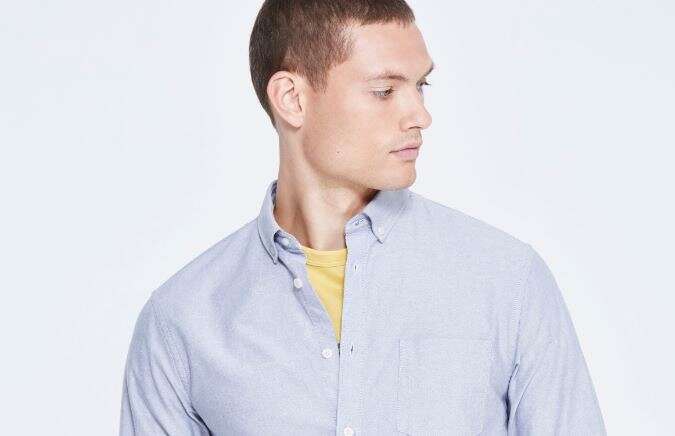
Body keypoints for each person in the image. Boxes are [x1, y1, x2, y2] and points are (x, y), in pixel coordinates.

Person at [119, 1, 607, 434]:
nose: (420, 115)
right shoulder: (182, 320)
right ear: (292, 98)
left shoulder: (507, 280)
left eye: (421, 85)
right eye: (384, 90)